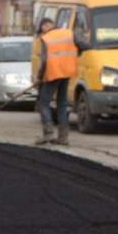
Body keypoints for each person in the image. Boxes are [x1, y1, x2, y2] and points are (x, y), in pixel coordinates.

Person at [29, 16, 78, 146]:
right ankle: (63, 137)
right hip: (66, 73)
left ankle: (48, 134)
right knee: (62, 104)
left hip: (53, 74)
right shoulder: (69, 33)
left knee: (43, 104)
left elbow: (45, 61)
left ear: (45, 26)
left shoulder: (47, 38)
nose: (43, 32)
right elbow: (84, 45)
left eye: (42, 30)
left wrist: (39, 77)